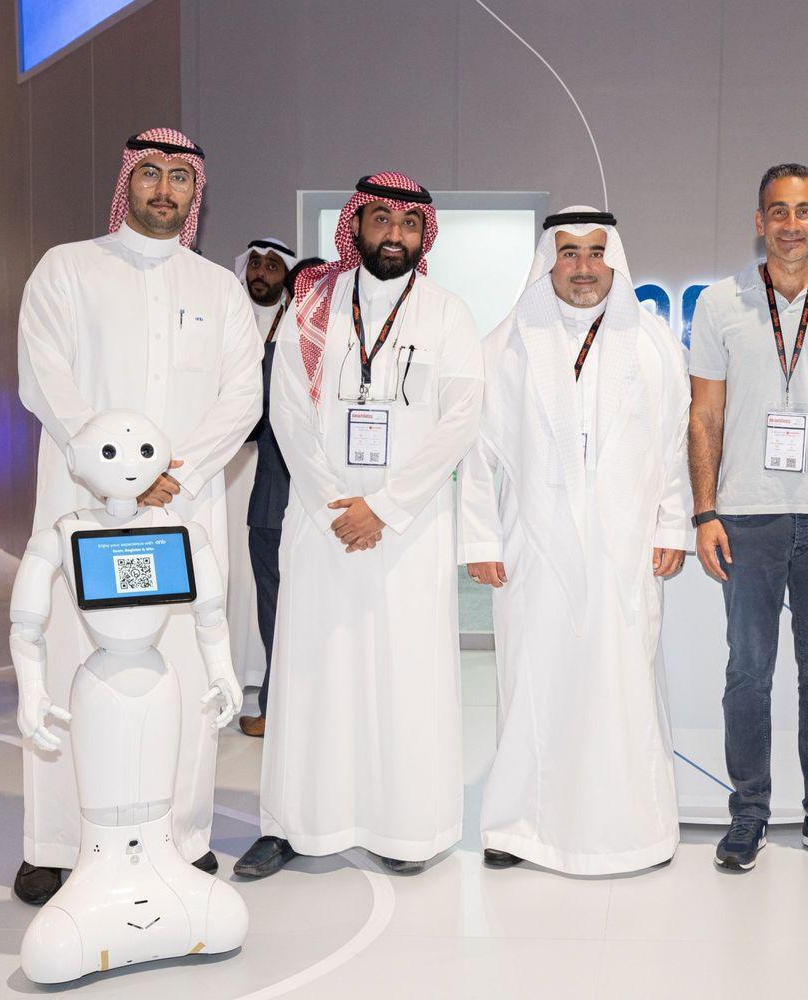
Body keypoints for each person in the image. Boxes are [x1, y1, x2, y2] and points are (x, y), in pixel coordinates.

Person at [14, 127, 262, 905]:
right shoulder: (68, 269)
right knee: (70, 659)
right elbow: (44, 378)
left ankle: (180, 836)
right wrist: (113, 467)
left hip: (180, 509)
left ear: (196, 193)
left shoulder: (218, 290)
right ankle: (56, 842)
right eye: (150, 173)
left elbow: (242, 396)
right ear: (129, 181)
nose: (164, 189)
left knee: (182, 666)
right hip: (84, 506)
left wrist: (168, 475)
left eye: (179, 178)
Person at [234, 173, 483, 879]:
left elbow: (460, 419)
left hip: (409, 531)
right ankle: (293, 823)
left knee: (405, 677)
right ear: (357, 226)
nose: (394, 235)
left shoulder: (448, 314)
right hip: (324, 526)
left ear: (424, 234)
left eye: (408, 224)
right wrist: (335, 504)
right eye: (381, 220)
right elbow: (287, 411)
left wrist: (387, 507)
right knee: (311, 672)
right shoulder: (312, 307)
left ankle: (404, 827)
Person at [459, 207, 690, 875]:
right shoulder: (508, 344)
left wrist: (671, 523)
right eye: (569, 253)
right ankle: (519, 827)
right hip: (534, 545)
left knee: (623, 685)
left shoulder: (651, 344)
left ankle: (636, 831)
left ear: (613, 259)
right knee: (532, 682)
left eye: (595, 252)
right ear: (549, 261)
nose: (583, 267)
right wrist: (481, 539)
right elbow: (476, 453)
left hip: (625, 546)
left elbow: (674, 444)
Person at [688, 163, 808, 872]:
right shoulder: (720, 304)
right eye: (778, 211)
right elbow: (704, 415)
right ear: (759, 221)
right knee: (748, 672)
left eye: (804, 211)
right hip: (745, 517)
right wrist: (705, 511)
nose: (791, 224)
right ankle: (749, 813)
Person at [226, 237, 302, 738]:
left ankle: (278, 704)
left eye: (273, 267)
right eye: (254, 263)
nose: (260, 273)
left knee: (279, 603)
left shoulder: (293, 340)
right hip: (237, 479)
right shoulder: (230, 322)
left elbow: (259, 419)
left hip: (275, 491)